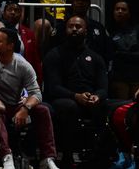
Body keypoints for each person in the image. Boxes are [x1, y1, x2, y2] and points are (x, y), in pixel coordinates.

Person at [0, 28, 59, 169]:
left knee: (43, 110)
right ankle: (6, 157)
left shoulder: (23, 65)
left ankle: (47, 158)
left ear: (10, 45)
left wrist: (25, 108)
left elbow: (36, 93)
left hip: (15, 105)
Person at [43, 15, 108, 166]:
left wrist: (97, 96)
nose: (74, 29)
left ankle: (100, 155)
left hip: (89, 100)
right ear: (65, 30)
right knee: (69, 106)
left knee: (107, 105)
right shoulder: (54, 54)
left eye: (78, 27)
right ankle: (67, 155)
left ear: (86, 31)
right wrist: (75, 96)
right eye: (70, 26)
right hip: (62, 99)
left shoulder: (96, 57)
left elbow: (104, 87)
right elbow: (53, 87)